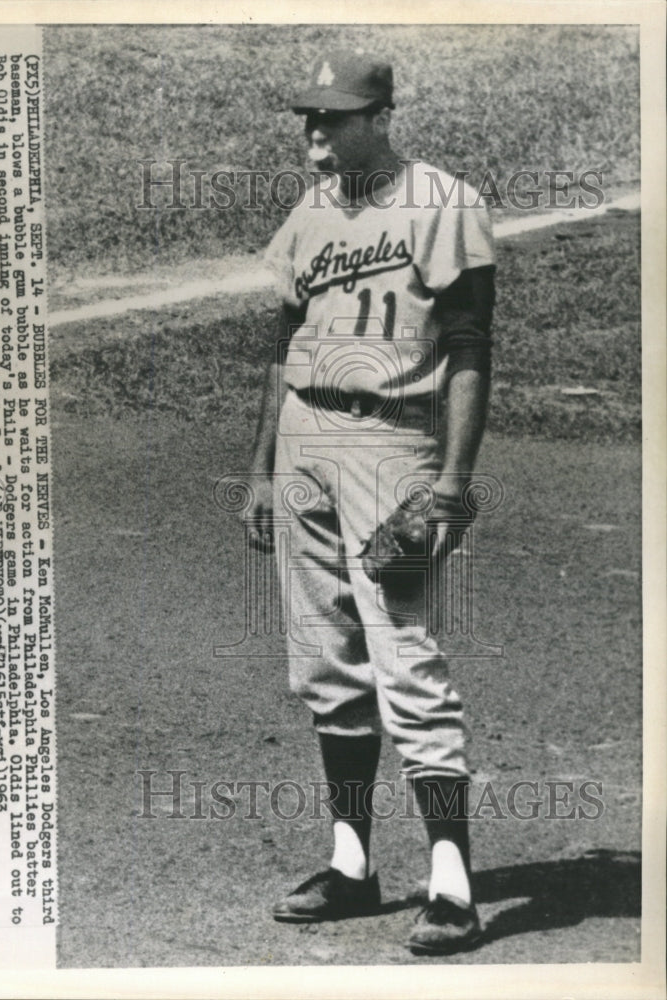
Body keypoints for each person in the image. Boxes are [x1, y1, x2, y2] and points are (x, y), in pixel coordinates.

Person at [247, 49, 496, 955]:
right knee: (324, 661)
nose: (315, 130)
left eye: (334, 116)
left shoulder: (444, 202)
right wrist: (263, 467)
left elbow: (469, 341)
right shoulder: (311, 209)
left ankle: (453, 888)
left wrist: (451, 486)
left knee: (406, 658)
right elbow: (286, 338)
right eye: (307, 115)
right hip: (308, 439)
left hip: (394, 445)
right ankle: (353, 866)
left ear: (381, 116)